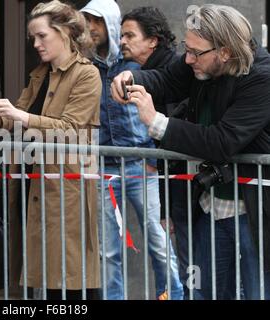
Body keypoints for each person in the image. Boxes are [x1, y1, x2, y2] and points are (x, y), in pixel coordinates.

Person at [112, 4, 270, 299]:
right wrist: (131, 80)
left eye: (196, 53)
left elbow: (222, 141)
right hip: (210, 207)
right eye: (187, 48)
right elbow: (168, 80)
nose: (188, 58)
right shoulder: (199, 61)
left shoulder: (262, 77)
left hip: (254, 213)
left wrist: (156, 122)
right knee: (205, 292)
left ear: (224, 52)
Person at [0, 0, 101, 299]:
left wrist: (20, 116)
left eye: (42, 36)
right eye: (33, 38)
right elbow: (20, 116)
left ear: (65, 33)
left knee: (69, 277)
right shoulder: (40, 73)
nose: (36, 44)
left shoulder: (87, 74)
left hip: (65, 188)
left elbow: (72, 130)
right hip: (33, 181)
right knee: (40, 271)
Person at [81, 0, 183, 300]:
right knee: (108, 249)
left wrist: (154, 157)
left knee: (158, 241)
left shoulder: (142, 65)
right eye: (86, 21)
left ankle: (173, 297)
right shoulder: (89, 66)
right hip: (104, 167)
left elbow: (167, 111)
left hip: (142, 164)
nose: (89, 28)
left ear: (109, 23)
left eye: (95, 21)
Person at [120, 6, 190, 298]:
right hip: (171, 183)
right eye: (121, 35)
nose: (122, 41)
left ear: (153, 40)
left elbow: (175, 138)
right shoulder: (143, 71)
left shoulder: (175, 72)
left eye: (129, 35)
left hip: (188, 184)